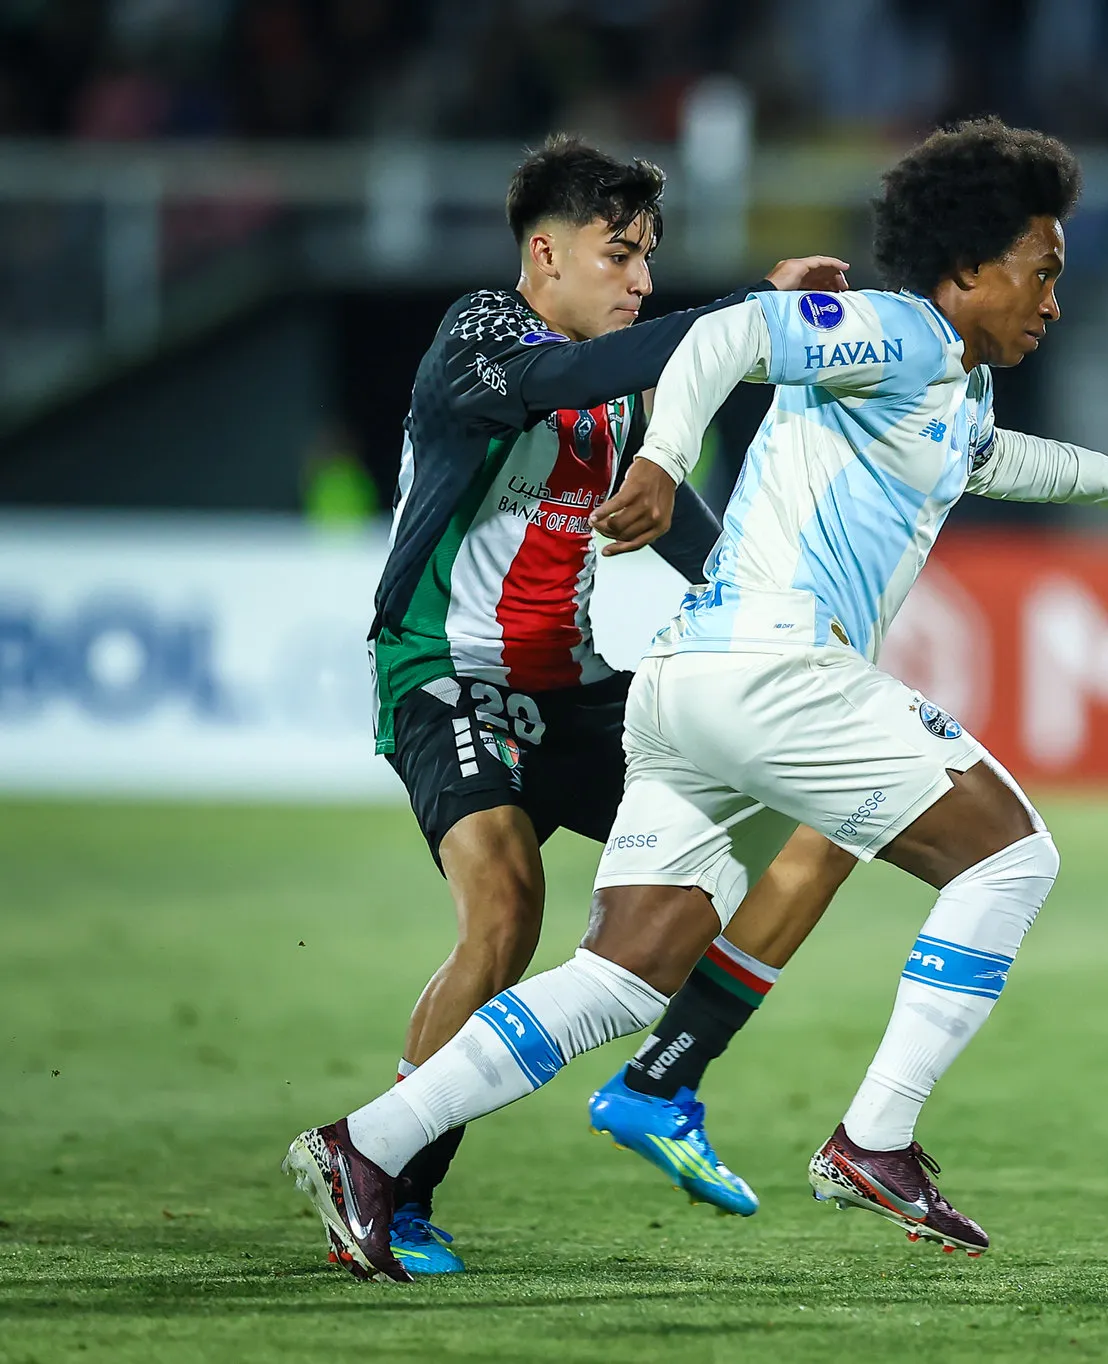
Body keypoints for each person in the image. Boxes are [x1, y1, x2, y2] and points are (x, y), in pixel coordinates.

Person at [287, 116, 1108, 1281]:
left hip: (648, 679)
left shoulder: (943, 378)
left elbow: (989, 457)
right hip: (524, 667)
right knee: (1008, 857)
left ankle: (380, 1141)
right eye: (1040, 270)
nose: (1055, 298)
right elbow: (723, 338)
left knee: (626, 967)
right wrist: (684, 427)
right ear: (966, 267)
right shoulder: (510, 335)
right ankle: (869, 1137)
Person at [359, 130, 849, 1273]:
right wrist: (748, 314)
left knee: (799, 819)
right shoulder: (481, 336)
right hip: (447, 672)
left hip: (575, 687)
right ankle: (386, 1182)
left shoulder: (626, 388)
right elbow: (557, 381)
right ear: (545, 252)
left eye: (647, 257)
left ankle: (661, 1080)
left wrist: (769, 614)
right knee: (505, 914)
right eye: (618, 253)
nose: (639, 278)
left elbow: (677, 525)